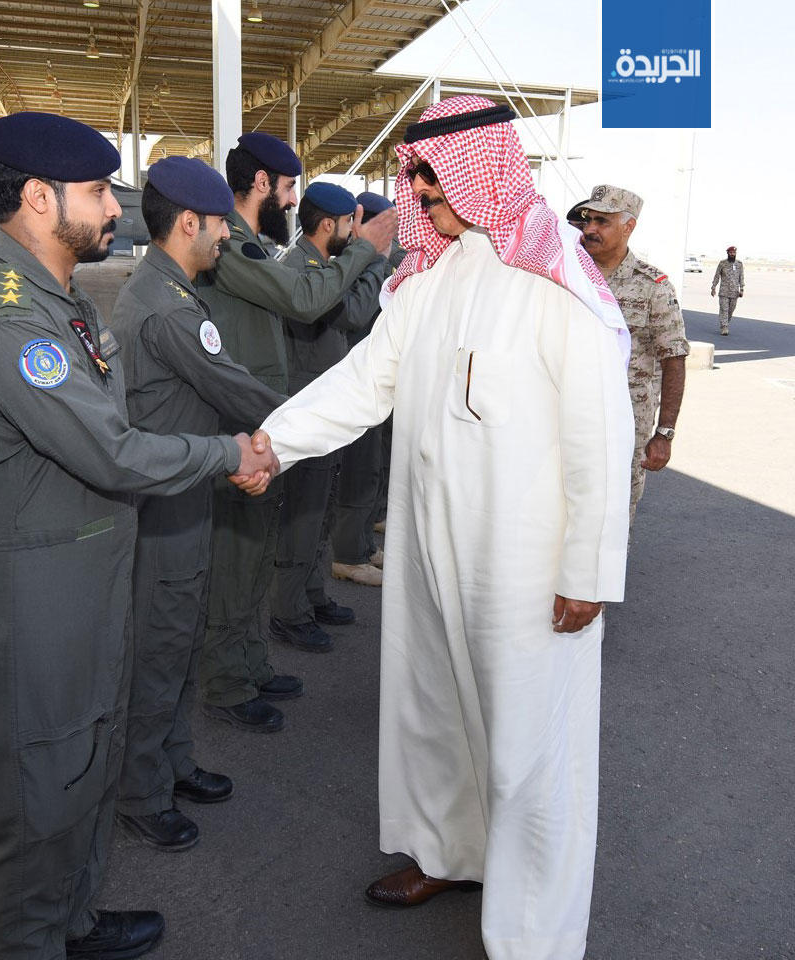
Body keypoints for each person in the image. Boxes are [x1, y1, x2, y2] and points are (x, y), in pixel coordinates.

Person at [252, 96, 634, 960]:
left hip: (525, 564)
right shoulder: (428, 279)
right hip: (428, 549)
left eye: (432, 171)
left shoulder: (553, 274)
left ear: (482, 167)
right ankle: (450, 855)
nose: (418, 188)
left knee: (529, 747)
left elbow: (600, 433)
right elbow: (364, 383)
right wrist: (274, 443)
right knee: (434, 715)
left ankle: (535, 934)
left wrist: (589, 569)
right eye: (414, 172)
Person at [0, 113, 277, 960]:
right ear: (37, 198)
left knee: (90, 757)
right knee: (37, 791)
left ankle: (75, 920)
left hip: (90, 570)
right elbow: (112, 449)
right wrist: (227, 453)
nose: (116, 208)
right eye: (96, 192)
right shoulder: (11, 322)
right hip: (35, 595)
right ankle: (28, 943)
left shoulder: (63, 300)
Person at [110, 157, 286, 852]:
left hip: (185, 494)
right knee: (160, 649)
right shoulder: (167, 308)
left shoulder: (170, 291)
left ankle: (173, 762)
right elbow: (235, 388)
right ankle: (142, 791)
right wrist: (311, 425)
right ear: (189, 223)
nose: (226, 236)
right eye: (219, 225)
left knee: (180, 643)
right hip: (165, 509)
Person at [195, 132, 398, 731]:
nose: (291, 202)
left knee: (257, 556)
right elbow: (307, 300)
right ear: (262, 183)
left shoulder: (251, 245)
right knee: (237, 563)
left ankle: (251, 664)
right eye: (287, 189)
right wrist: (366, 250)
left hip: (264, 420)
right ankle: (227, 683)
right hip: (240, 424)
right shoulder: (233, 249)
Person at [270, 181, 388, 650]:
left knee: (319, 513)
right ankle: (289, 611)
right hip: (309, 409)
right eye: (347, 225)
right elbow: (354, 313)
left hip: (326, 408)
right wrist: (374, 256)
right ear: (326, 226)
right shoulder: (304, 271)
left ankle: (312, 595)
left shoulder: (323, 266)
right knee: (302, 516)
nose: (353, 232)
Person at [567, 184, 688, 522]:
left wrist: (664, 433)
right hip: (570, 412)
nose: (590, 229)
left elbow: (674, 359)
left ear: (628, 226)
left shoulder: (652, 286)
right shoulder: (569, 274)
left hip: (625, 424)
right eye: (588, 220)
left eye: (602, 222)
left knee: (616, 514)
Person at [330, 192, 405, 587]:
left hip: (377, 381)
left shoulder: (373, 262)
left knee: (372, 466)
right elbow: (357, 314)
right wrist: (375, 259)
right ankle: (347, 554)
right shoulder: (353, 263)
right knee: (358, 472)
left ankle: (360, 544)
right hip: (357, 382)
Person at [710, 245, 744, 335]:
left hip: (734, 292)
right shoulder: (722, 263)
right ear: (728, 253)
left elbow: (741, 277)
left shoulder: (739, 264)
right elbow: (717, 276)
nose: (732, 254)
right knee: (724, 309)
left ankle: (725, 323)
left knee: (730, 311)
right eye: (731, 252)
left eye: (734, 253)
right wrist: (713, 287)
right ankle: (724, 327)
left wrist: (742, 289)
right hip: (724, 292)